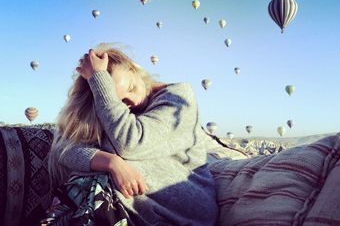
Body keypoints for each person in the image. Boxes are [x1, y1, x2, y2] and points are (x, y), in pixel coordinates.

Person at [48, 43, 219, 226]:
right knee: (93, 180)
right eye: (120, 102)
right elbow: (63, 150)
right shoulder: (109, 112)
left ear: (133, 68)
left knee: (96, 181)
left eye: (131, 88)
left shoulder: (179, 97)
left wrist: (100, 79)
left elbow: (131, 142)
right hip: (139, 210)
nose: (134, 102)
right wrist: (111, 162)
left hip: (189, 205)